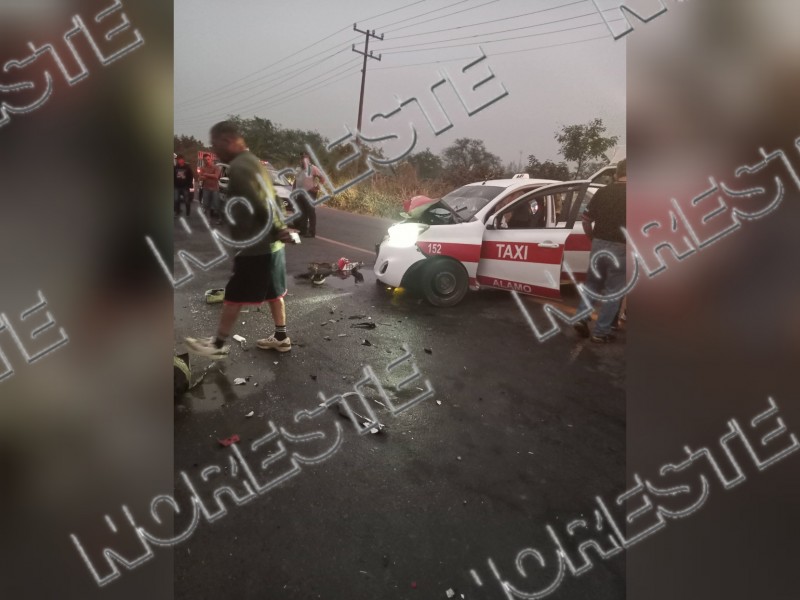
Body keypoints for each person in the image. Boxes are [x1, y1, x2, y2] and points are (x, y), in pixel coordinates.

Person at [185, 121, 299, 358]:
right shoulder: (254, 162)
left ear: (227, 140)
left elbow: (261, 202)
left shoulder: (240, 167)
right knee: (274, 292)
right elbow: (272, 198)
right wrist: (280, 228)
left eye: (215, 145)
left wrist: (277, 228)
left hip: (256, 246)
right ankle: (281, 337)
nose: (215, 151)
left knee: (234, 295)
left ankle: (217, 345)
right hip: (271, 245)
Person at [574, 159, 627, 343]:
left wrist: (593, 238)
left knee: (592, 284)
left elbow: (586, 220)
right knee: (613, 291)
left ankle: (581, 317)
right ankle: (601, 332)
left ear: (616, 173)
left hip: (598, 243)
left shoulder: (603, 192)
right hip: (622, 247)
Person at [293, 152, 327, 238]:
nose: (303, 160)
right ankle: (303, 230)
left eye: (305, 158)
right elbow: (296, 181)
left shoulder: (313, 168)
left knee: (310, 212)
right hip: (299, 193)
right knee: (302, 212)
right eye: (302, 159)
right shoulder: (298, 169)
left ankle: (312, 232)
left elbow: (322, 178)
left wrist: (317, 186)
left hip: (310, 193)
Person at [199, 153, 222, 223]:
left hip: (215, 189)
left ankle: (220, 218)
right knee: (206, 205)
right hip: (206, 188)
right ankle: (208, 218)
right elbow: (200, 178)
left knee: (216, 205)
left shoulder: (216, 167)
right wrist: (203, 177)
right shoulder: (202, 168)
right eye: (205, 160)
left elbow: (216, 176)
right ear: (203, 160)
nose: (207, 161)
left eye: (208, 159)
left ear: (211, 159)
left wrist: (206, 174)